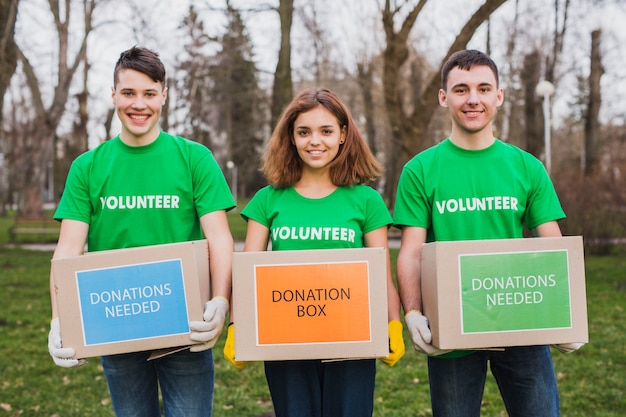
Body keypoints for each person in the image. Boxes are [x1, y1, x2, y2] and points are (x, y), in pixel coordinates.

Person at [393, 49, 584, 417]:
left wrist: (567, 310)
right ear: (443, 97)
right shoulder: (420, 169)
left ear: (498, 96)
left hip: (522, 322)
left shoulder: (526, 167)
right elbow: (411, 251)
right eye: (461, 89)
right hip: (451, 329)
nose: (473, 99)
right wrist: (414, 313)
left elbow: (553, 245)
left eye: (483, 88)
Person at [46, 46, 236, 417]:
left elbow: (220, 237)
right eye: (129, 93)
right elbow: (68, 249)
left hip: (186, 324)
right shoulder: (87, 167)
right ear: (113, 94)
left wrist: (221, 299)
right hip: (116, 324)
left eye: (150, 93)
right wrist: (60, 318)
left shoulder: (194, 158)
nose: (139, 104)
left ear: (164, 95)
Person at [223, 88, 405, 417]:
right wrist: (237, 326)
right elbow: (246, 274)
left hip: (352, 340)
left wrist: (394, 323)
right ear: (291, 138)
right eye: (304, 132)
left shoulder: (366, 200)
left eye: (326, 131)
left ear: (343, 135)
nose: (314, 141)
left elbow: (381, 277)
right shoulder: (268, 199)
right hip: (286, 342)